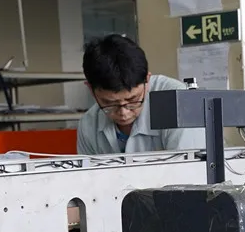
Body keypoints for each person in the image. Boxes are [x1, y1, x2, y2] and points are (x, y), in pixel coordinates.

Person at [77, 35, 206, 155]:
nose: (123, 113)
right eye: (110, 103)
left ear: (147, 80)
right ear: (90, 89)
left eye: (133, 99)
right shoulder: (89, 125)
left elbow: (189, 168)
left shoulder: (180, 104)